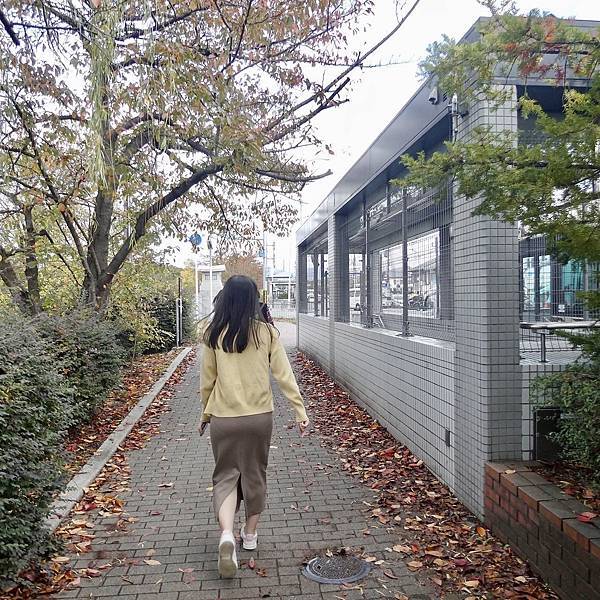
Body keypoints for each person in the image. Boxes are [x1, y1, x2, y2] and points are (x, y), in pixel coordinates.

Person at [198, 275, 309, 578]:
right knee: (254, 473)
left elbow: (207, 383)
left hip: (224, 417)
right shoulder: (268, 333)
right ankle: (249, 536)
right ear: (253, 300)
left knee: (225, 477)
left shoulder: (213, 334)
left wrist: (205, 415)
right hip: (260, 417)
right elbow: (284, 375)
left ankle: (225, 536)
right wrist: (299, 411)